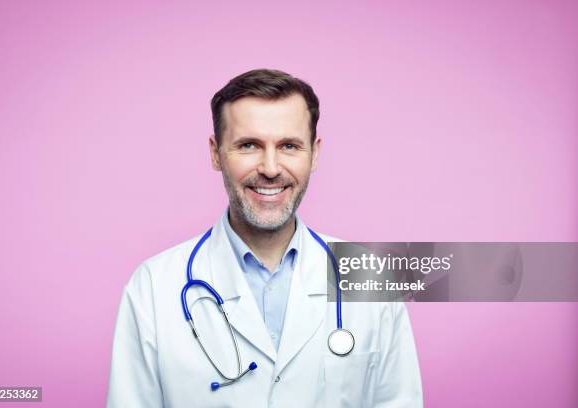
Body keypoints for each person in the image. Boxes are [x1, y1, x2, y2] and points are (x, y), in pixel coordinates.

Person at [107, 69, 423, 407]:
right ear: (216, 153)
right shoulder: (154, 286)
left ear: (314, 154)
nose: (271, 168)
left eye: (289, 145)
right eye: (248, 145)